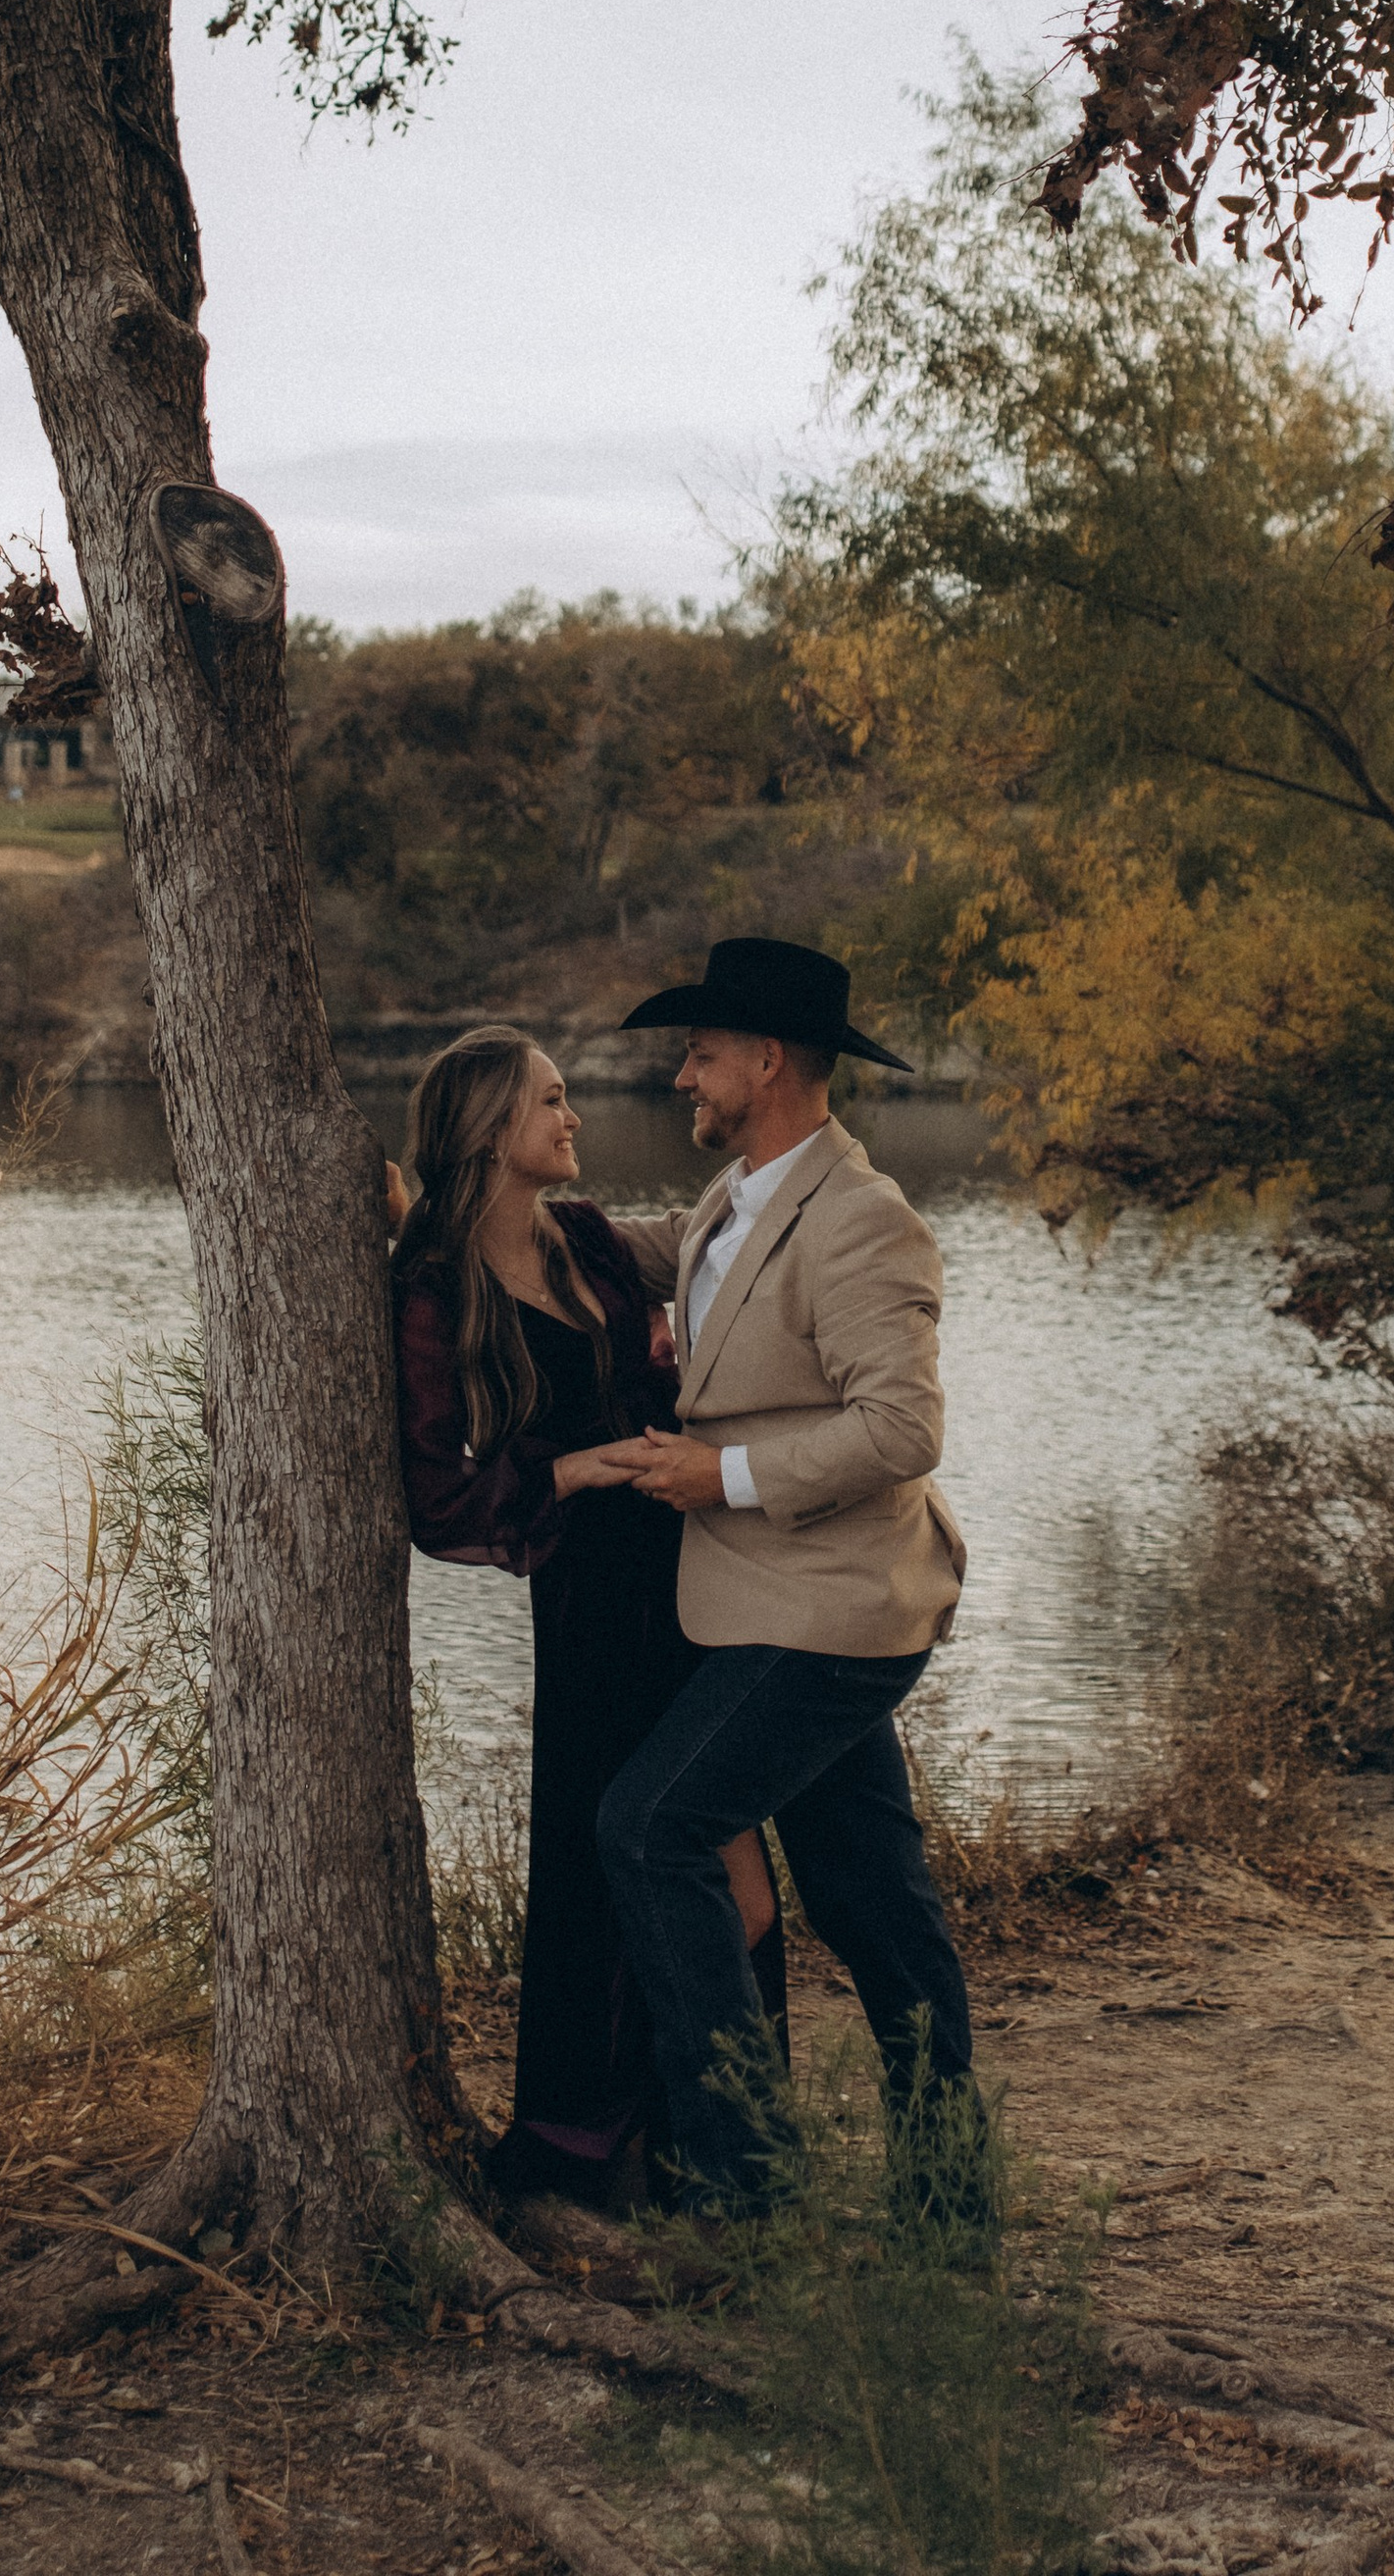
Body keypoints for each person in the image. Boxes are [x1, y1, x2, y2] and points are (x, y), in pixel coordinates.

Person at [590, 936, 977, 2216]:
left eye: (699, 1055)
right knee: (875, 1909)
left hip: (835, 1608)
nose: (682, 1077)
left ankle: (743, 2190)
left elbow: (903, 1430)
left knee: (652, 1830)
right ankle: (949, 2201)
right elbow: (659, 1253)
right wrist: (466, 1223)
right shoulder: (742, 1194)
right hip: (777, 1600)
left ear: (764, 1062)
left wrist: (726, 1476)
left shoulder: (864, 1221)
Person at [389, 1023, 787, 2207]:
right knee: (614, 1867)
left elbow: (718, 1272)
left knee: (734, 1876)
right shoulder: (434, 1291)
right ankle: (603, 2149)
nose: (573, 1119)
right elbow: (439, 1499)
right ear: (489, 1132)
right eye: (551, 1101)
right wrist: (576, 1468)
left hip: (698, 1574)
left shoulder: (593, 1242)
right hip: (594, 1604)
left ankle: (724, 2152)